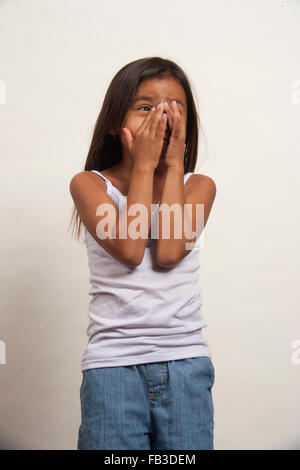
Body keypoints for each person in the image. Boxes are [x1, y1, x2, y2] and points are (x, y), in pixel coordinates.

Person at [68, 56, 217, 450]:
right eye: (146, 107)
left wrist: (168, 165)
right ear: (119, 123)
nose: (160, 118)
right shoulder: (89, 185)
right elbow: (131, 250)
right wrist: (145, 166)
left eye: (173, 109)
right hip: (112, 368)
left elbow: (168, 251)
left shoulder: (197, 186)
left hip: (186, 365)